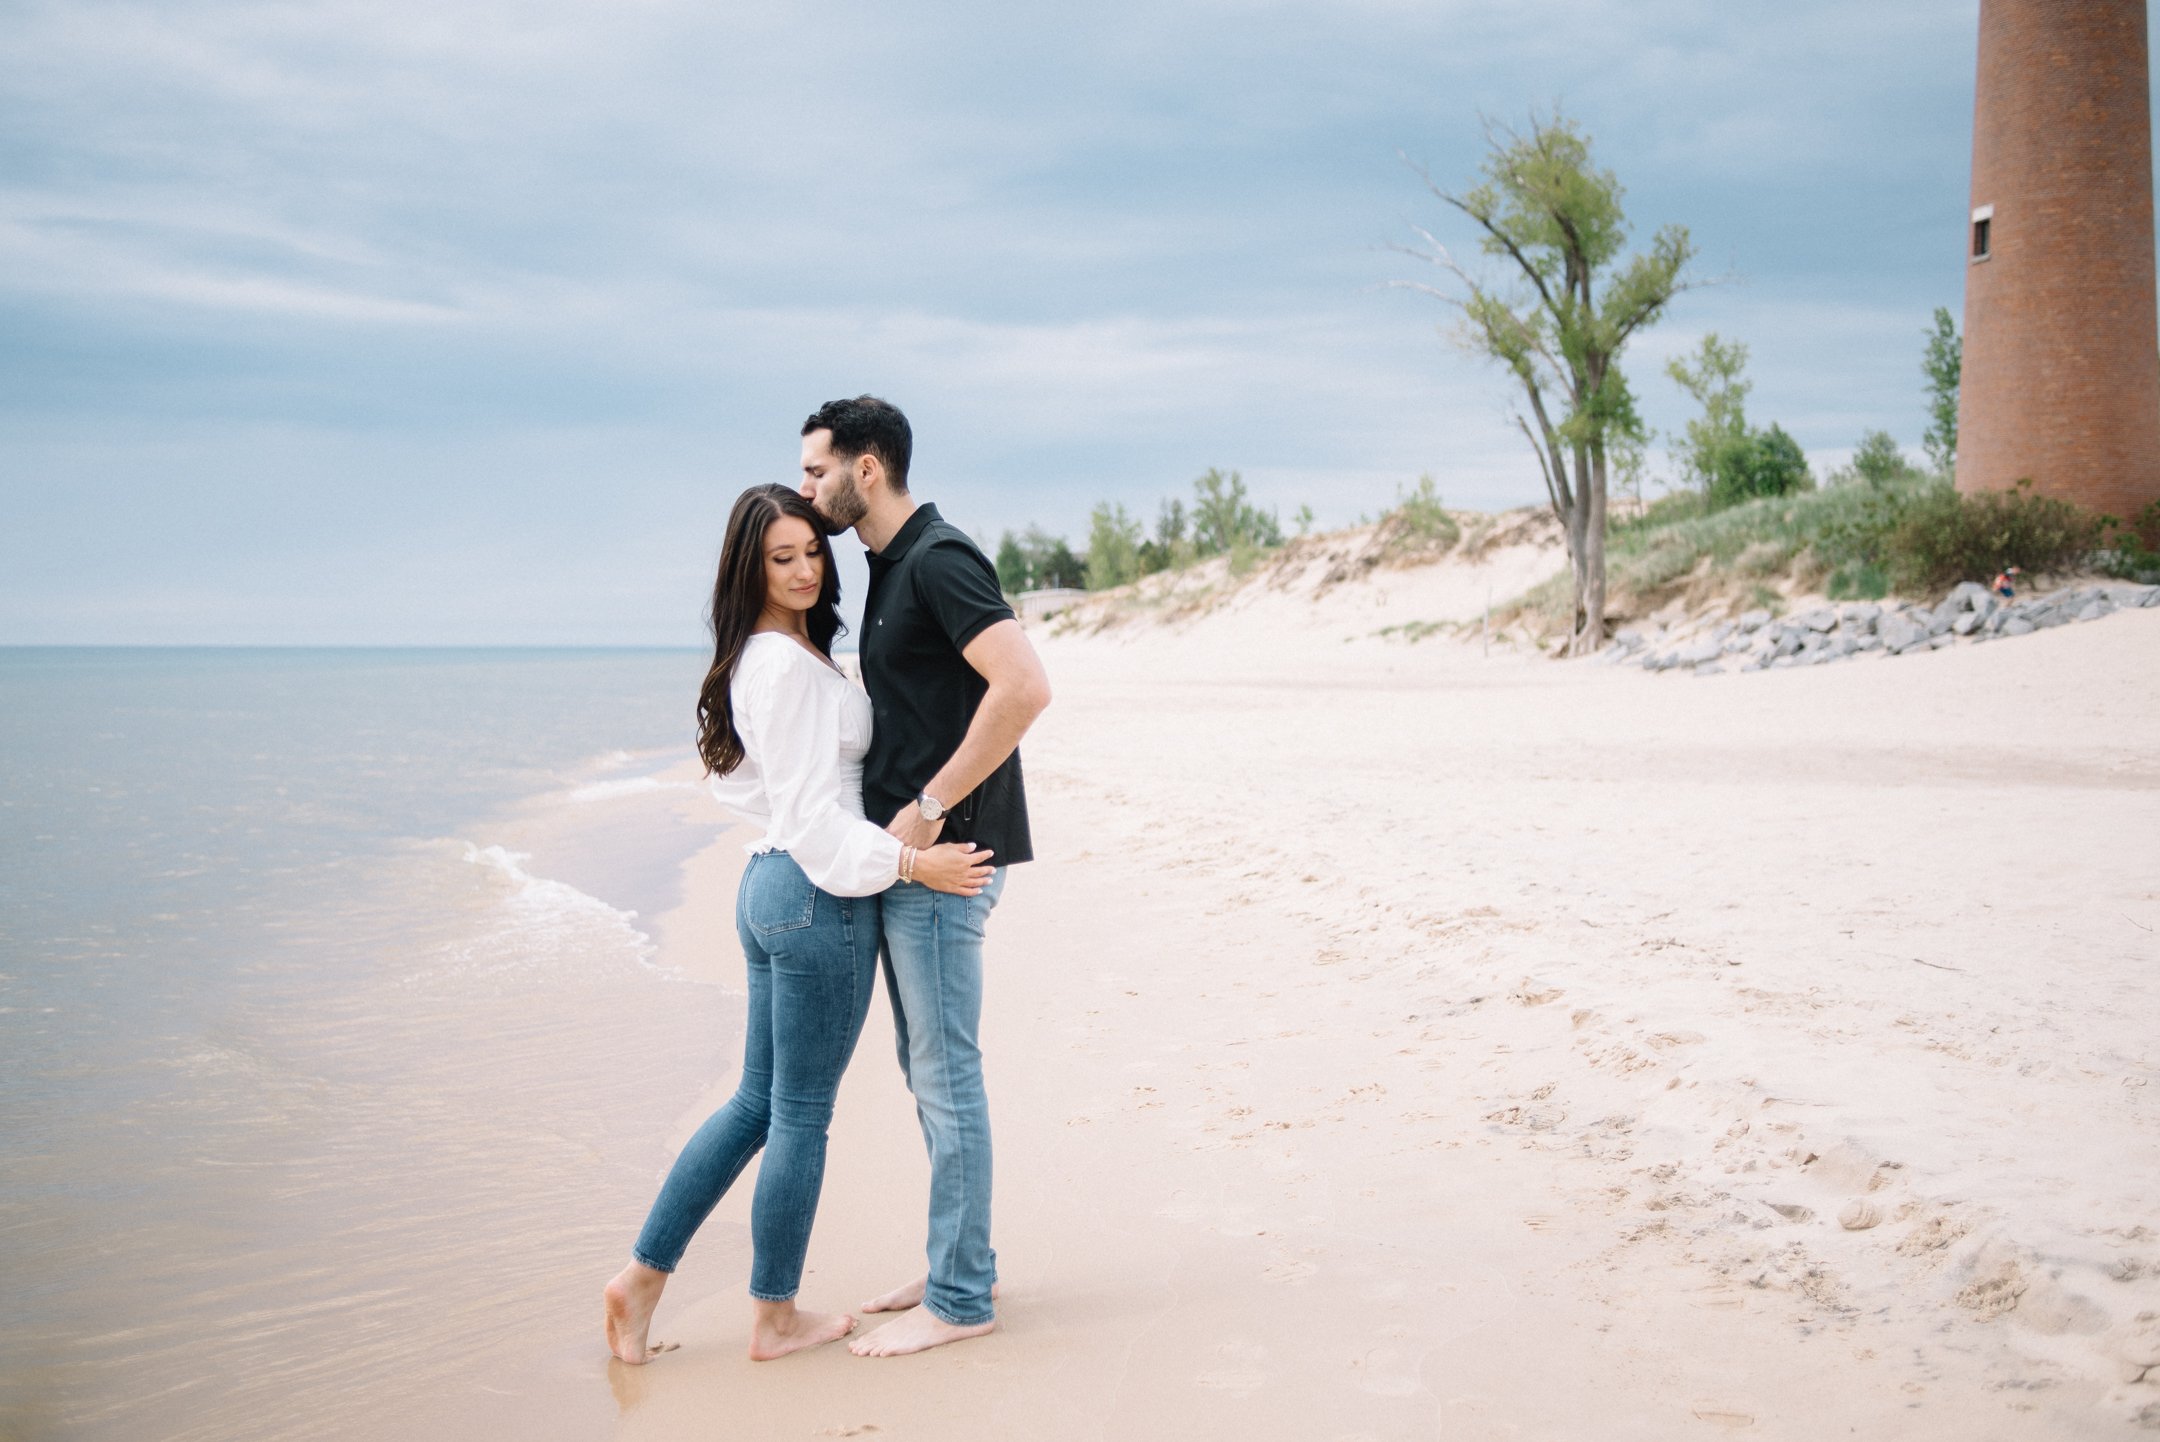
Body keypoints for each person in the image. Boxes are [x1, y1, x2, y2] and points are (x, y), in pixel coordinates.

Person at [603, 484, 995, 1365]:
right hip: (818, 899)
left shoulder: (762, 656)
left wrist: (793, 822)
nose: (806, 570)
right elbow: (818, 820)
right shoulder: (786, 665)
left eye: (813, 552)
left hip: (770, 887)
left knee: (756, 1105)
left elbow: (747, 785)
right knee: (799, 1116)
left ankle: (639, 1284)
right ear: (752, 568)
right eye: (783, 559)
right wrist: (910, 861)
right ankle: (773, 1317)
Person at [796, 396, 1053, 1358]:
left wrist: (931, 806)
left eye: (818, 468)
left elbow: (1024, 686)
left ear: (869, 468)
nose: (807, 485)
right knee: (928, 1071)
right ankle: (957, 1260)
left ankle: (962, 1296)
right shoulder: (889, 565)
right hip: (915, 864)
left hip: (945, 864)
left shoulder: (939, 559)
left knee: (947, 1078)